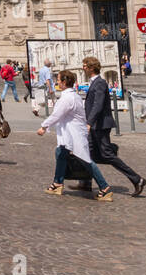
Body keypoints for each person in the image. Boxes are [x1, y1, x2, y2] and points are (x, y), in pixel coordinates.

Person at [39, 70, 112, 200]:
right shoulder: (73, 96)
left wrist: (44, 126)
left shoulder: (68, 98)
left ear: (64, 82)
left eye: (59, 80)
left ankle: (104, 187)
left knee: (85, 160)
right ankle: (57, 183)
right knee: (60, 153)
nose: (57, 82)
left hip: (75, 135)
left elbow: (57, 115)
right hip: (70, 134)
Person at [83, 56, 146, 196]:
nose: (83, 68)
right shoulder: (94, 82)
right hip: (96, 125)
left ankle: (137, 179)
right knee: (89, 153)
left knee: (106, 154)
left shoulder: (99, 83)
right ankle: (86, 182)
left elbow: (98, 105)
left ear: (92, 68)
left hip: (100, 125)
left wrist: (89, 122)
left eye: (85, 66)